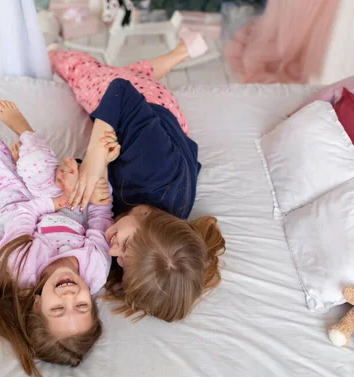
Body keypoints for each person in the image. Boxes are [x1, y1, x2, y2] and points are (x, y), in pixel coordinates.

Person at [48, 30, 227, 322]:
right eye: (126, 247)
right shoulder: (156, 171)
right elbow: (121, 91)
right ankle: (54, 54)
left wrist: (79, 171)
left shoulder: (152, 227)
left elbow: (114, 177)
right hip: (156, 106)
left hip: (166, 136)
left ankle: (181, 52)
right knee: (89, 77)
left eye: (121, 260)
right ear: (147, 216)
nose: (113, 249)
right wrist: (94, 158)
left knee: (130, 74)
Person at [0, 101, 117, 377]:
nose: (69, 296)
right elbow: (101, 218)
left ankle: (27, 164)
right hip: (70, 211)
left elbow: (23, 212)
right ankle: (24, 131)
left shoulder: (21, 268)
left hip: (19, 206)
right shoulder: (96, 270)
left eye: (58, 309)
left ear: (37, 304)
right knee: (35, 166)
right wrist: (100, 183)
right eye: (81, 306)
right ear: (92, 301)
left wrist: (54, 200)